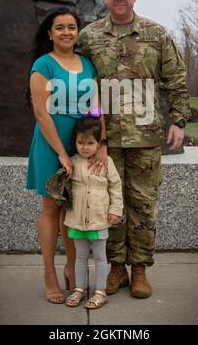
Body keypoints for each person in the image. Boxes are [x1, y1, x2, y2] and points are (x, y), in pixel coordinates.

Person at [76, 0, 190, 298]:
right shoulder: (90, 36)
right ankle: (115, 269)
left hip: (146, 135)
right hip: (105, 138)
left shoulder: (156, 34)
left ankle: (139, 270)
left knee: (143, 203)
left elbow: (177, 78)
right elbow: (78, 78)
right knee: (107, 202)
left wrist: (178, 122)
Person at [26, 8, 107, 304]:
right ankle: (49, 274)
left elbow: (96, 107)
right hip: (52, 145)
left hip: (81, 143)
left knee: (71, 211)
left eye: (71, 27)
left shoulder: (87, 65)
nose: (66, 32)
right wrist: (61, 153)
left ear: (77, 32)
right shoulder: (43, 65)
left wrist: (102, 142)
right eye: (59, 27)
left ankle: (72, 270)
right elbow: (40, 111)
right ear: (50, 33)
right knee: (51, 208)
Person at [64, 115, 123, 309]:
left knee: (99, 255)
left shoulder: (107, 162)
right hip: (77, 219)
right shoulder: (72, 162)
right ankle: (79, 289)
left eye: (90, 142)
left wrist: (116, 210)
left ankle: (100, 291)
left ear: (99, 144)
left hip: (99, 218)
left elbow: (115, 186)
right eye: (80, 142)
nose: (85, 147)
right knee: (80, 255)